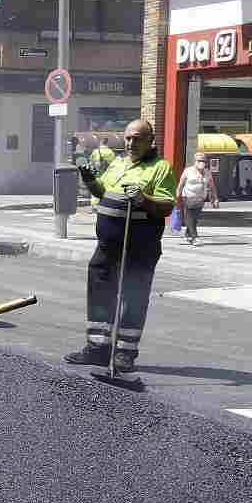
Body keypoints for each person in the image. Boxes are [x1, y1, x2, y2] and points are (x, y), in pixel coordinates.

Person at [65, 120, 175, 375]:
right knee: (101, 291)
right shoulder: (117, 163)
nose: (131, 143)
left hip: (139, 245)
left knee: (132, 296)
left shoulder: (160, 168)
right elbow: (101, 193)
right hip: (108, 244)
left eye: (137, 138)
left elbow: (167, 206)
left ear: (150, 141)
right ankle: (98, 349)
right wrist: (89, 179)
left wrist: (143, 199)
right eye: (127, 138)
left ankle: (125, 353)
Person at [176, 152, 219, 246]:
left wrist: (215, 198)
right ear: (195, 161)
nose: (202, 162)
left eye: (203, 161)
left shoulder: (207, 172)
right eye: (199, 160)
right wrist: (177, 195)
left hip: (200, 199)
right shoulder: (188, 171)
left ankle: (188, 234)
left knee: (194, 219)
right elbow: (181, 184)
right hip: (188, 197)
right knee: (189, 217)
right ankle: (195, 237)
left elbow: (212, 186)